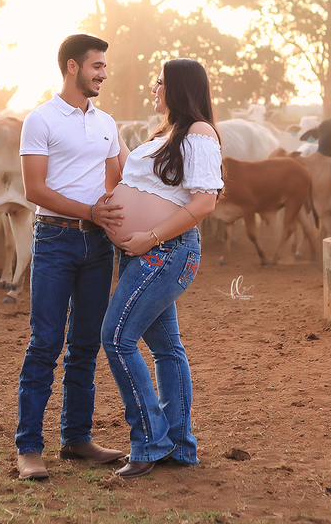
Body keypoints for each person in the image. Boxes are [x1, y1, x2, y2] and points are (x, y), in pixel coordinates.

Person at [99, 58, 223, 479]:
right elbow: (130, 180)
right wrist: (110, 133)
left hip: (166, 252)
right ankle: (180, 446)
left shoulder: (199, 132)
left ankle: (151, 441)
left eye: (160, 82)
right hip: (146, 253)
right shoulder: (163, 136)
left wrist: (149, 237)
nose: (154, 88)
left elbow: (204, 202)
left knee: (116, 337)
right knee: (167, 349)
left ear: (180, 88)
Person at [14, 34, 128, 481]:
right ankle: (28, 448)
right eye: (97, 66)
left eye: (104, 67)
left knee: (85, 345)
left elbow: (117, 181)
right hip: (54, 240)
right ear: (72, 67)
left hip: (98, 245)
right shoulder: (40, 119)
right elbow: (34, 189)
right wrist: (89, 211)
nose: (103, 74)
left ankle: (77, 438)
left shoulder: (107, 122)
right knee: (45, 343)